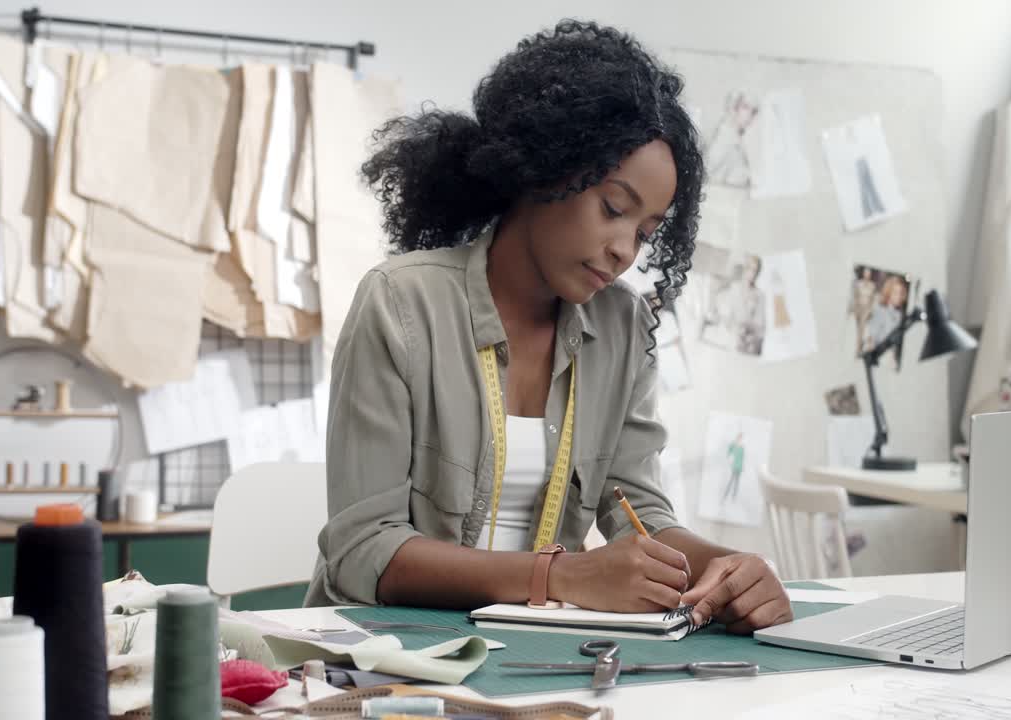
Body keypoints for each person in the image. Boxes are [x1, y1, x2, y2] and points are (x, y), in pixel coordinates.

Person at [304, 20, 792, 634]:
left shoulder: (622, 327)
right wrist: (559, 577)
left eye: (645, 233)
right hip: (380, 655)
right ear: (546, 166)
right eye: (613, 208)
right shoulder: (402, 303)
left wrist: (730, 569)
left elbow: (635, 509)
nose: (624, 251)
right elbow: (361, 552)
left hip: (530, 652)